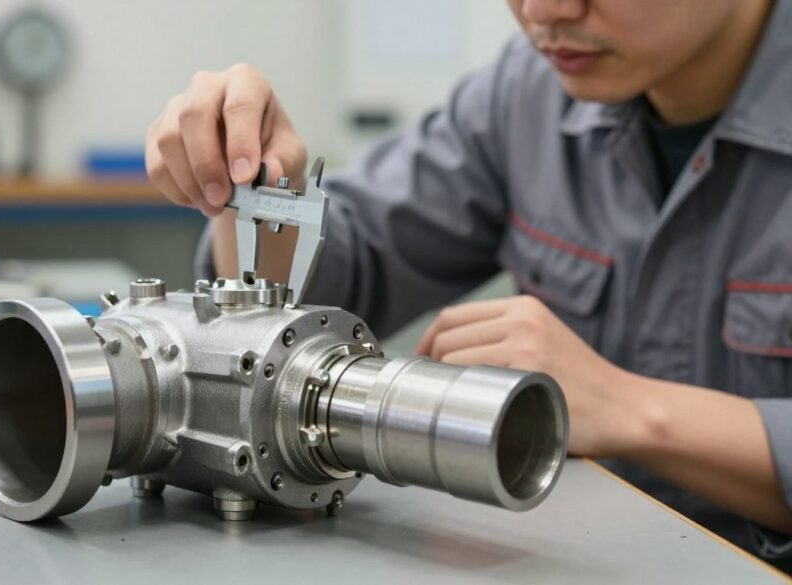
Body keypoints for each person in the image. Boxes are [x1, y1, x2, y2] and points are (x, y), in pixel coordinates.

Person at [145, 0, 792, 568]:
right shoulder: (529, 93)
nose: (545, 10)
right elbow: (346, 270)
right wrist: (257, 192)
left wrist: (632, 410)